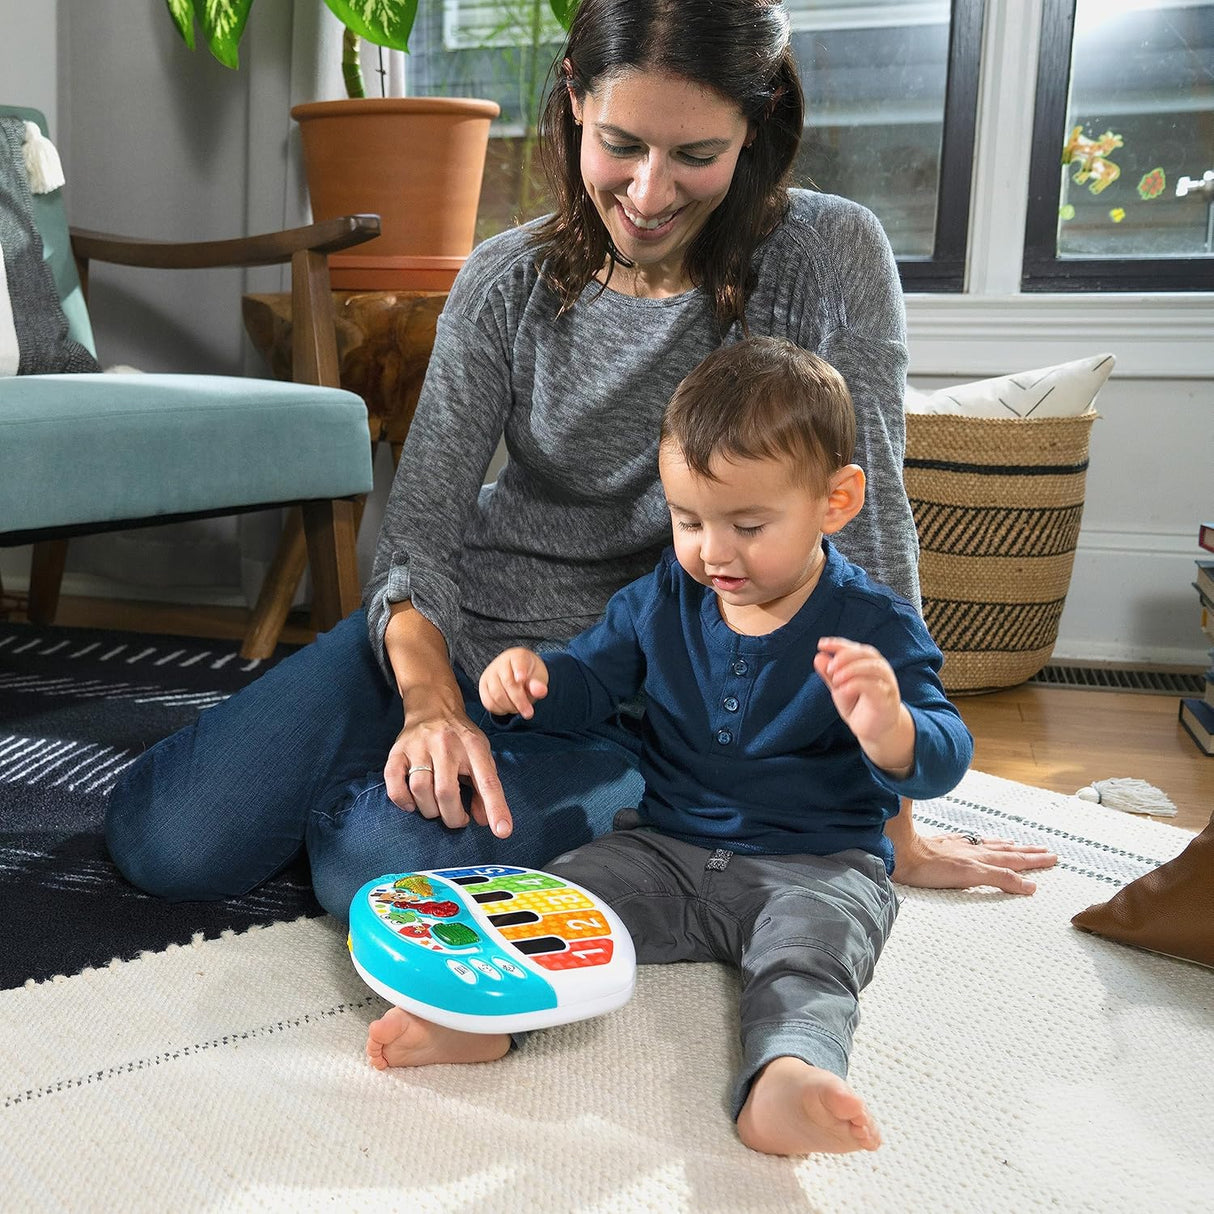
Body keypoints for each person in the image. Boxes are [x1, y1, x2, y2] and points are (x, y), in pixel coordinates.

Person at [105, 0, 1054, 927]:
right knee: (166, 845)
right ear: (572, 102)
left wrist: (896, 829)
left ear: (755, 127)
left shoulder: (826, 255)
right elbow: (422, 532)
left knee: (376, 864)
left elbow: (868, 522)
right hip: (458, 640)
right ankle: (385, 765)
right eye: (622, 144)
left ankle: (365, 810)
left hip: (637, 699)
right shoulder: (504, 279)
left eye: (696, 155)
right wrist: (432, 702)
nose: (648, 195)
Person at [366, 337, 974, 1156]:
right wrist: (534, 679)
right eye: (689, 521)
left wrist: (893, 732)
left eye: (749, 525)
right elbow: (590, 673)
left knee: (812, 958)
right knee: (557, 898)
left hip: (819, 863)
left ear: (836, 502)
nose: (713, 551)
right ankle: (490, 1023)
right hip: (664, 847)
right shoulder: (669, 591)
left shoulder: (874, 626)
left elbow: (947, 749)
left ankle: (786, 1079)